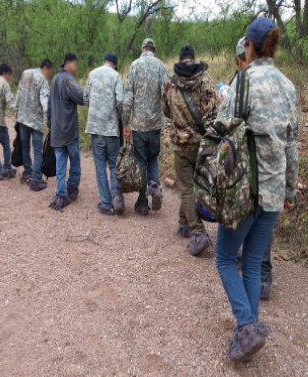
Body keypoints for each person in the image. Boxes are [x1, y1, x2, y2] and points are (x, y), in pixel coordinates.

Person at [216, 17, 298, 362]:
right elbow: (291, 145)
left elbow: (221, 129)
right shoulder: (288, 86)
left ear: (249, 46)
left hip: (245, 191)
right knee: (251, 263)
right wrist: (290, 191)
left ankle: (248, 324)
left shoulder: (243, 82)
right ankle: (245, 338)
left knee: (224, 258)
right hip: (274, 193)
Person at [163, 45, 218, 256]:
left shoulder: (170, 81)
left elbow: (165, 110)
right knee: (196, 186)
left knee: (186, 188)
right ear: (193, 59)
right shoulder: (204, 80)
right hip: (202, 144)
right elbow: (213, 112)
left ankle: (198, 233)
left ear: (180, 59)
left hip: (181, 144)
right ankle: (183, 222)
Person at [234, 37, 274, 300]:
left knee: (246, 214)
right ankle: (264, 275)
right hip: (272, 169)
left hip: (247, 170)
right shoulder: (281, 83)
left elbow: (225, 125)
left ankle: (255, 268)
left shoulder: (241, 83)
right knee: (264, 221)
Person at [122, 38, 166, 216]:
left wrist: (125, 122)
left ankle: (142, 203)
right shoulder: (161, 66)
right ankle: (154, 188)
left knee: (141, 162)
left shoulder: (134, 66)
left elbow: (128, 97)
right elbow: (166, 94)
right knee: (152, 158)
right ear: (153, 50)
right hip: (155, 124)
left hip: (139, 125)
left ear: (142, 49)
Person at [83, 53, 125, 216]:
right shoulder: (116, 76)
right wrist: (119, 115)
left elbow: (85, 97)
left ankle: (107, 203)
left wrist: (94, 109)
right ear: (115, 65)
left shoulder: (92, 74)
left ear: (103, 62)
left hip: (96, 128)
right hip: (111, 129)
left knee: (100, 166)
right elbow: (120, 100)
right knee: (114, 165)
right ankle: (117, 199)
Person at [47, 52, 85, 211]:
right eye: (75, 65)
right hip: (69, 131)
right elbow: (81, 97)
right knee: (75, 161)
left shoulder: (55, 79)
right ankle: (72, 188)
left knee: (60, 164)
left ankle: (61, 195)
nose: (76, 68)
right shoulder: (68, 79)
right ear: (68, 63)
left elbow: (49, 105)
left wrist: (49, 124)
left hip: (56, 131)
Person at [15, 59, 53, 191]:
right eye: (50, 72)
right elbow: (45, 102)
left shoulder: (25, 73)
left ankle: (27, 172)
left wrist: (16, 112)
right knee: (37, 151)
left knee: (25, 147)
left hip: (22, 119)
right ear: (46, 68)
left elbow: (19, 94)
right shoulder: (43, 80)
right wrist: (49, 120)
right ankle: (36, 179)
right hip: (36, 122)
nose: (49, 75)